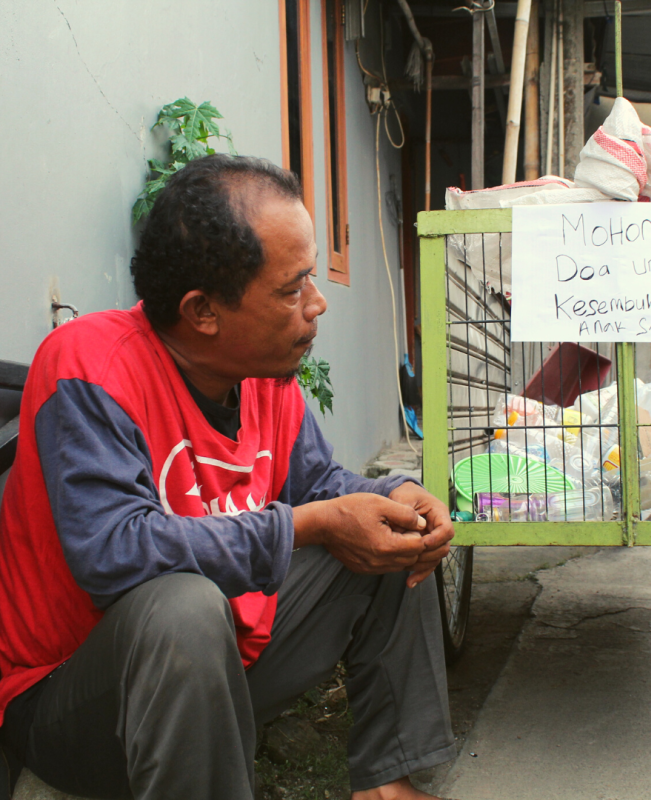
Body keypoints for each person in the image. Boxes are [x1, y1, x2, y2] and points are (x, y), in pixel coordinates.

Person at [0, 155, 456, 800]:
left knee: (392, 535)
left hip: (220, 667)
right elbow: (114, 553)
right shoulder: (90, 367)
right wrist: (306, 525)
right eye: (292, 287)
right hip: (78, 702)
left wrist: (392, 495)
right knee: (181, 607)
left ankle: (387, 784)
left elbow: (319, 482)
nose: (317, 303)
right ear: (203, 311)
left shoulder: (264, 375)